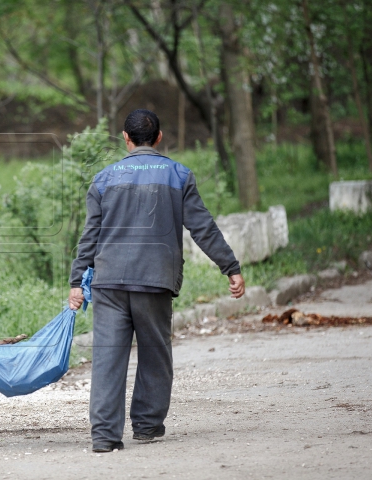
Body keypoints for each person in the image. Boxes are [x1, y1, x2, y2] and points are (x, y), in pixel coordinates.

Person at [68, 109, 245, 453]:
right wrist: (230, 266)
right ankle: (147, 427)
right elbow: (202, 227)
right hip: (155, 280)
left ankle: (104, 436)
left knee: (108, 358)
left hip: (109, 282)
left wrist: (77, 280)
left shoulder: (104, 179)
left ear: (125, 138)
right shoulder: (178, 174)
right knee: (155, 353)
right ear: (159, 138)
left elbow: (89, 236)